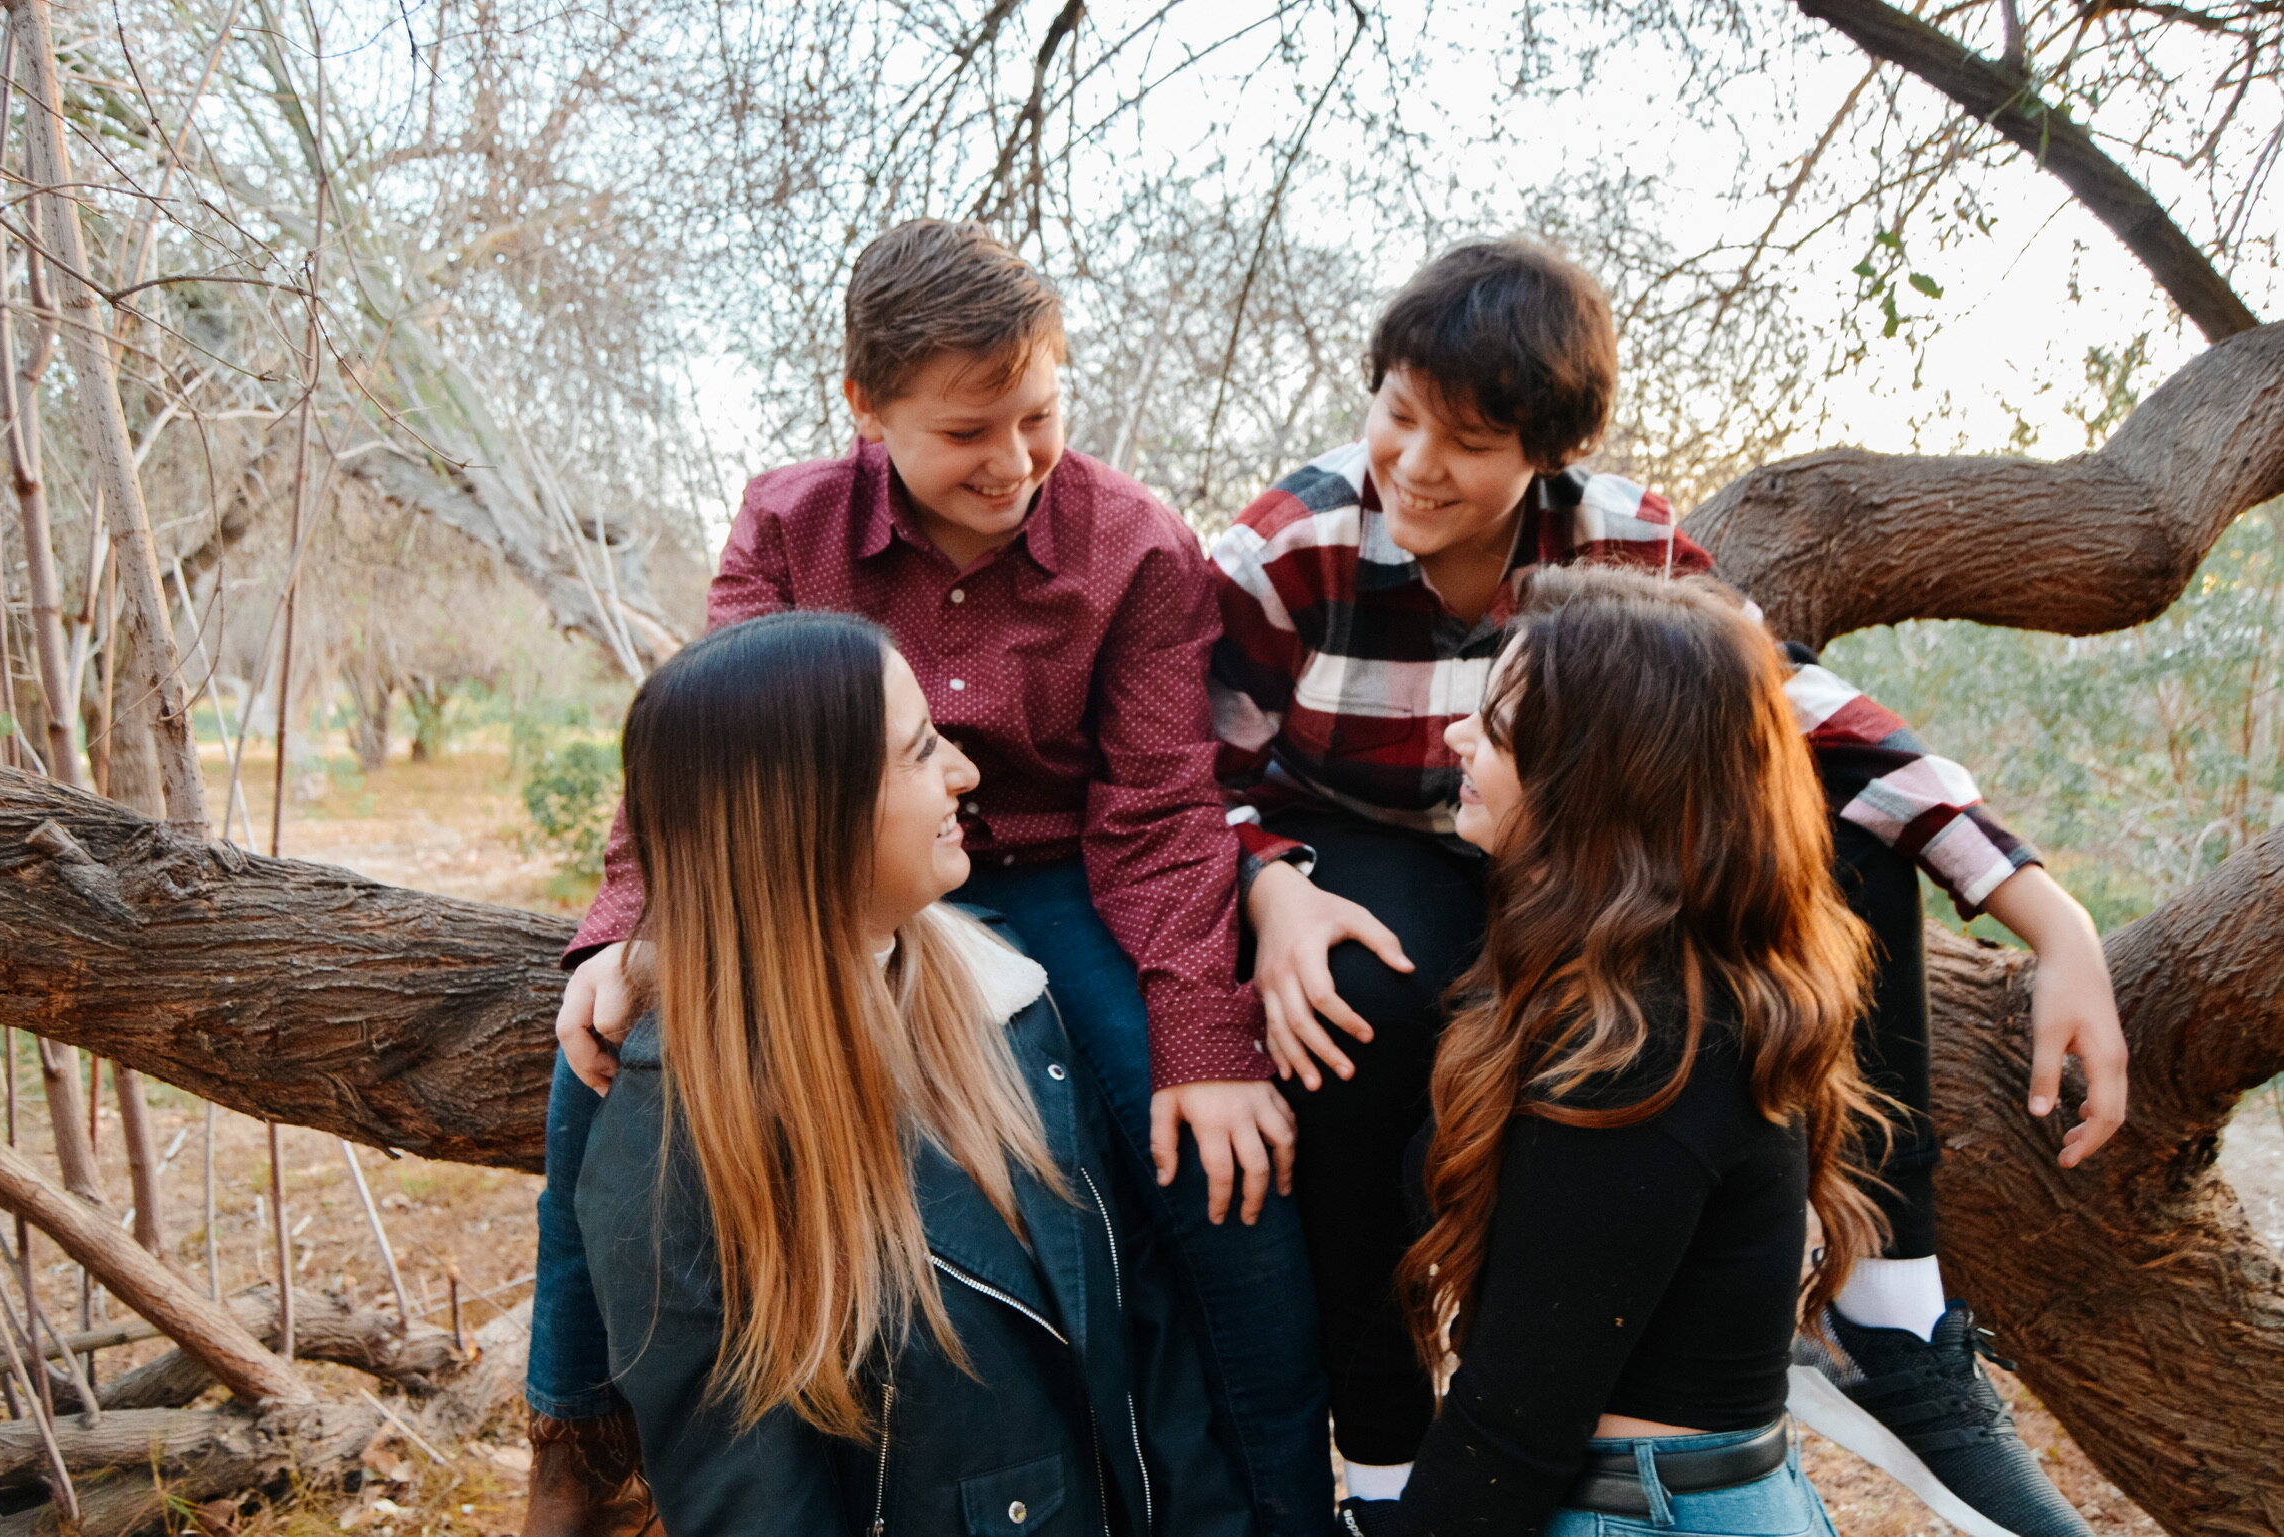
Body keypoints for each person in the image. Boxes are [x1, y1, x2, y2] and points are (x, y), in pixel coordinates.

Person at [1211, 238, 2125, 1536]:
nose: (1414, 464)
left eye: (1467, 442)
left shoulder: (1618, 537)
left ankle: (1889, 1307)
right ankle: (1382, 1450)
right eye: (1397, 416)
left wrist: (2049, 914)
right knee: (1362, 1000)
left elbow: (1795, 710)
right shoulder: (1287, 547)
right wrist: (1269, 887)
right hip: (1355, 854)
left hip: (1560, 849)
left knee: (1845, 833)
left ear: (1548, 453)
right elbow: (1176, 766)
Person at [531, 220, 1331, 1535]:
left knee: (1205, 1149)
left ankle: (1282, 1499)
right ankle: (572, 1432)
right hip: (847, 872)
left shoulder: (1133, 541)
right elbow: (711, 750)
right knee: (606, 1052)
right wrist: (638, 922)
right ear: (866, 406)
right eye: (967, 431)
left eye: (1039, 416)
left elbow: (1157, 804)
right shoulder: (790, 522)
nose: (1012, 461)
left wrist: (1200, 1034)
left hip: (1067, 875)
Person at [574, 611, 1255, 1537]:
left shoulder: (1009, 1004)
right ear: (811, 813)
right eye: (922, 748)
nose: (965, 773)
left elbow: (1143, 1335)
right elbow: (748, 1499)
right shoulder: (677, 1129)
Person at [1338, 565, 1881, 1536]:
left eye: (1497, 725)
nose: (1457, 736)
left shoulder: (1640, 1062)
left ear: (1596, 773)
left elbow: (1515, 1425)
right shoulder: (1691, 995)